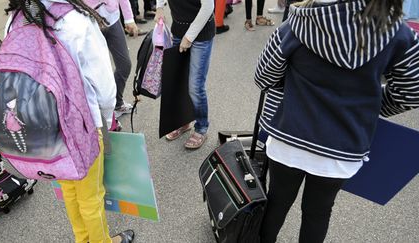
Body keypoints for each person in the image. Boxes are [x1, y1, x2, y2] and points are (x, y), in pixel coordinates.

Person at [254, 0, 419, 242]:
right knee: (317, 213)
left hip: (289, 138)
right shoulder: (398, 33)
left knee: (276, 202)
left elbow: (263, 76)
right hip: (343, 148)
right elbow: (412, 91)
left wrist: (291, 91)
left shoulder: (300, 21)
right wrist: (374, 106)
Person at [3, 0, 134, 242]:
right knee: (91, 196)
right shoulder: (76, 19)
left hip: (43, 127)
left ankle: (82, 239)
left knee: (70, 191)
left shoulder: (16, 19)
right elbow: (106, 90)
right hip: (82, 126)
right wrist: (105, 119)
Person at [155, 0, 215, 149]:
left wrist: (189, 37)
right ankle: (183, 122)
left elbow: (208, 6)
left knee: (195, 86)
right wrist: (159, 7)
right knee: (178, 81)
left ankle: (201, 128)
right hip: (178, 30)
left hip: (201, 34)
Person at [85, 0, 139, 119]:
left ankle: (117, 103)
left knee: (124, 65)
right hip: (89, 21)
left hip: (112, 18)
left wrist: (129, 19)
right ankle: (103, 116)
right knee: (97, 73)